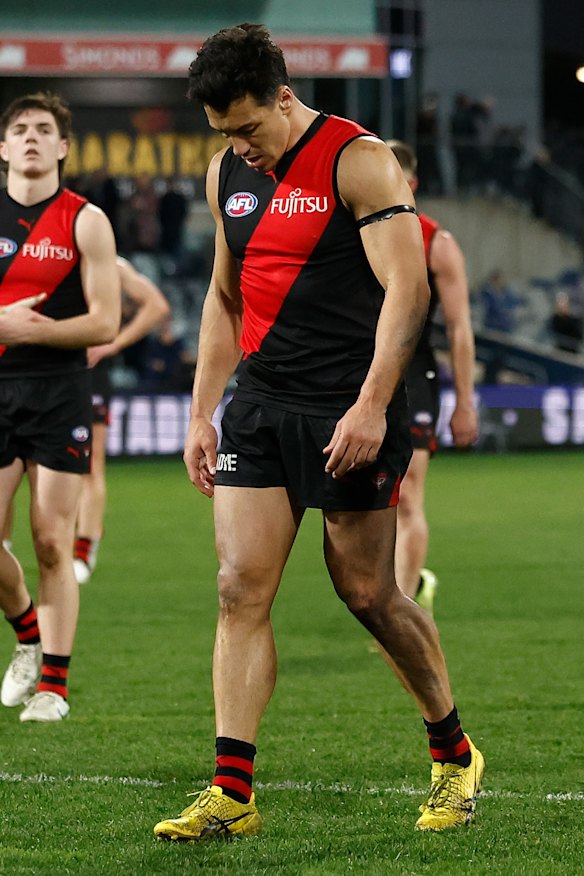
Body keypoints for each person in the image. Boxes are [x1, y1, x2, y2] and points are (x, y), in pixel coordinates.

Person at [153, 23, 484, 841]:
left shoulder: (357, 159)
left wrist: (373, 406)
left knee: (368, 593)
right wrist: (204, 408)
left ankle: (454, 752)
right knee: (239, 587)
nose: (240, 147)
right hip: (261, 404)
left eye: (248, 129)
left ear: (285, 99)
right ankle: (233, 792)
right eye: (225, 133)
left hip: (349, 403)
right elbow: (225, 296)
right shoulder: (225, 170)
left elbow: (406, 290)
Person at [0, 92, 120, 722]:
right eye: (19, 130)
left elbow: (105, 321)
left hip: (58, 391)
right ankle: (26, 635)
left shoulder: (86, 220)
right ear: (2, 147)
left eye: (44, 130)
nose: (31, 138)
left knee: (52, 540)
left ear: (64, 147)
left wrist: (31, 331)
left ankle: (54, 685)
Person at [386, 141, 478, 613]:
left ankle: (403, 611)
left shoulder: (435, 243)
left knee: (407, 495)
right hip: (359, 375)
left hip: (414, 373)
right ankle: (398, 586)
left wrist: (466, 400)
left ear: (412, 183)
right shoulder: (349, 236)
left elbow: (460, 329)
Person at [73, 257, 169, 584]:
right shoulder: (42, 254)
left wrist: (115, 344)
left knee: (90, 464)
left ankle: (84, 548)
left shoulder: (109, 264)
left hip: (88, 376)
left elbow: (156, 305)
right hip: (44, 373)